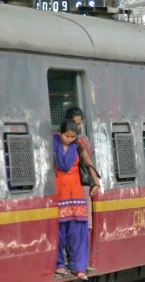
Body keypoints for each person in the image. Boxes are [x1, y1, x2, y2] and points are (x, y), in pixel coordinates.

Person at [53, 120, 99, 281]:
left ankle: (78, 267)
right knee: (58, 232)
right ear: (60, 132)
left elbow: (89, 164)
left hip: (76, 194)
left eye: (72, 137)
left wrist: (96, 183)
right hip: (58, 193)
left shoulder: (78, 145)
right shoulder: (51, 144)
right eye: (67, 136)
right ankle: (59, 264)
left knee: (78, 232)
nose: (70, 139)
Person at [63, 107, 96, 272]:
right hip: (68, 188)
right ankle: (74, 259)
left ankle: (82, 260)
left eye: (80, 124)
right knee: (70, 223)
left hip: (81, 186)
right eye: (76, 124)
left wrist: (95, 182)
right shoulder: (61, 139)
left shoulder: (82, 140)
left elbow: (88, 161)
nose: (78, 127)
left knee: (84, 223)